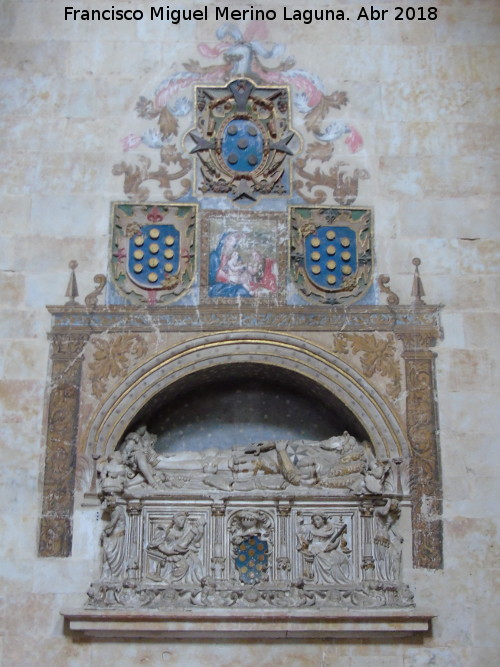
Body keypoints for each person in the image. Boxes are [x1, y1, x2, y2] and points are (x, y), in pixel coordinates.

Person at [298, 514, 351, 584]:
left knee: (337, 557)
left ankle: (341, 580)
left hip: (330, 550)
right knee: (318, 554)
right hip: (318, 551)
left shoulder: (330, 528)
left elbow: (337, 539)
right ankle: (329, 579)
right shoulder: (312, 530)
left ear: (323, 520)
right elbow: (307, 542)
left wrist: (333, 546)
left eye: (318, 519)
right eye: (314, 520)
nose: (316, 522)